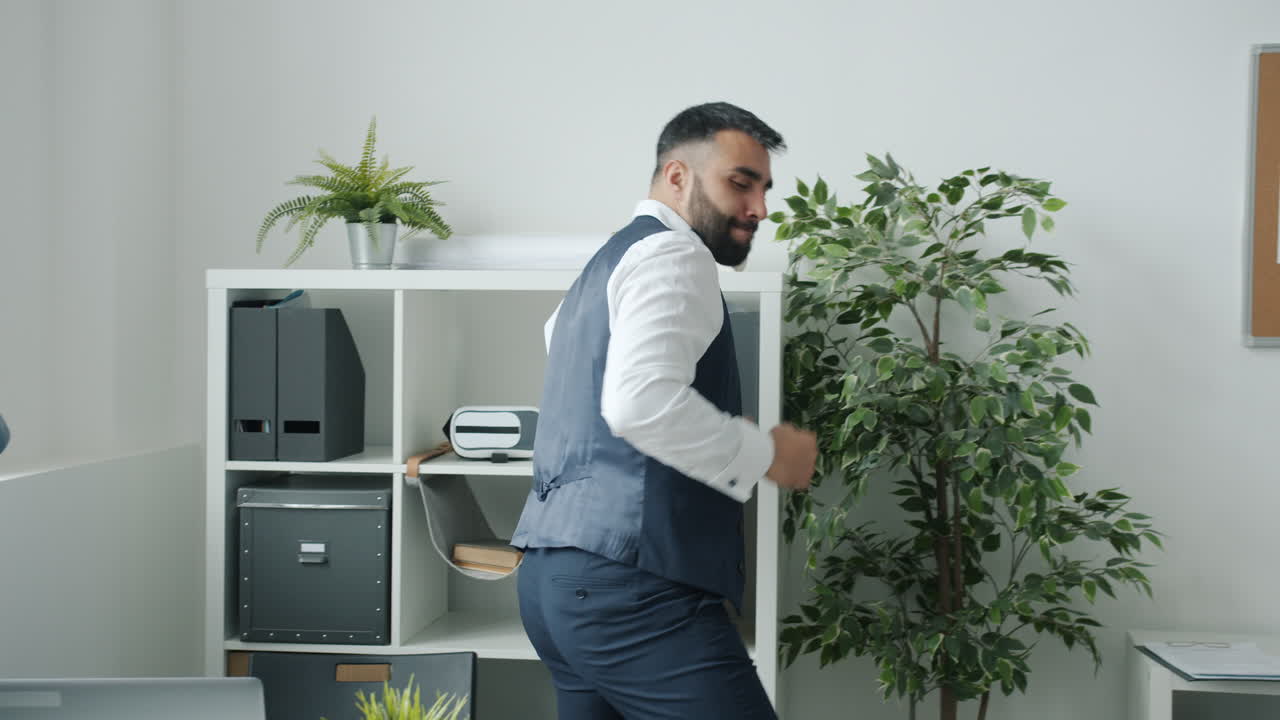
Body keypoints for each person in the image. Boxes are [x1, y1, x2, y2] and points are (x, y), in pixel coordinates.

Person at [511, 102, 818, 720]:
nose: (758, 208)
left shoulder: (603, 267)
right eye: (740, 183)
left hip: (551, 583)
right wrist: (769, 455)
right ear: (677, 177)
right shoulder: (674, 257)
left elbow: (585, 380)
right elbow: (639, 403)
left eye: (763, 189)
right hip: (631, 590)